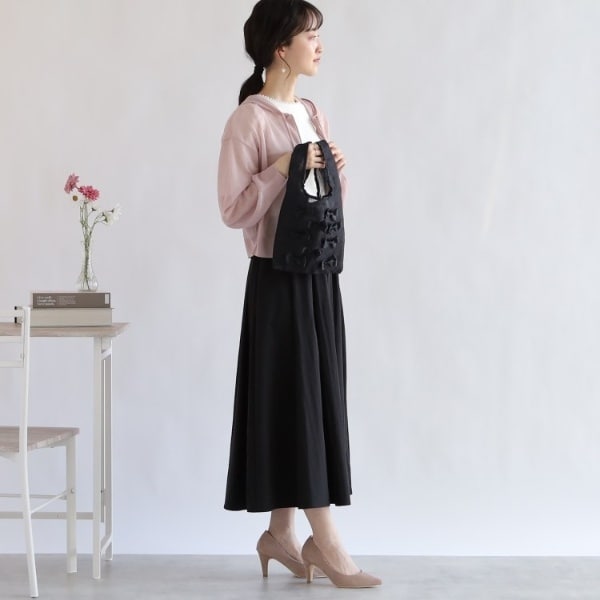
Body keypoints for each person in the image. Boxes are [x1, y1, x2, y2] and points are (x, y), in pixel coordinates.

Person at [217, 0, 381, 589]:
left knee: (307, 400)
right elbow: (234, 210)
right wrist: (282, 168)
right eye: (310, 35)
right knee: (301, 402)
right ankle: (326, 543)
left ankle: (281, 534)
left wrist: (333, 170)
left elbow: (322, 205)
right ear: (280, 48)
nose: (320, 45)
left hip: (319, 275)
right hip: (277, 280)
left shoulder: (313, 112)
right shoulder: (248, 120)